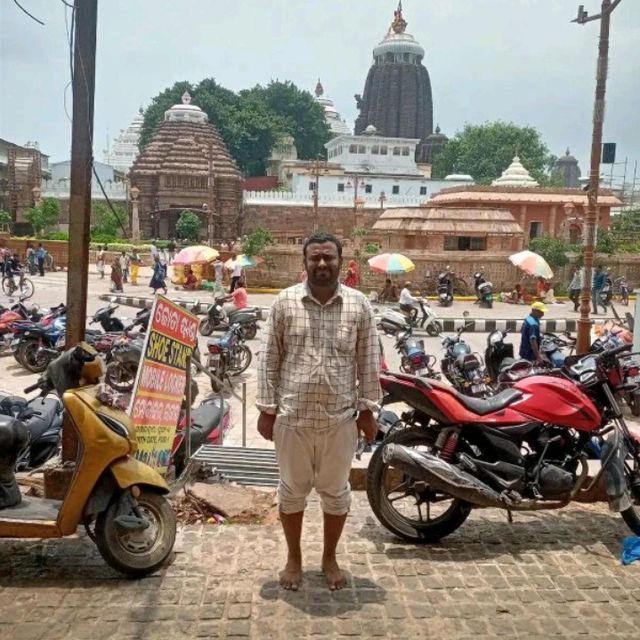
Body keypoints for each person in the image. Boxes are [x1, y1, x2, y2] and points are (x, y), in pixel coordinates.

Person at [256, 230, 380, 591]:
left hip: (340, 420)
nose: (322, 263)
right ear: (305, 262)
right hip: (292, 418)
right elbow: (269, 360)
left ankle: (329, 558)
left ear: (341, 262)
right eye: (315, 257)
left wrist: (368, 410)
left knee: (336, 492)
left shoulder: (359, 305)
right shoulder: (284, 303)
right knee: (291, 491)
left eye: (329, 257)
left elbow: (369, 361)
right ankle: (293, 558)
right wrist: (266, 409)